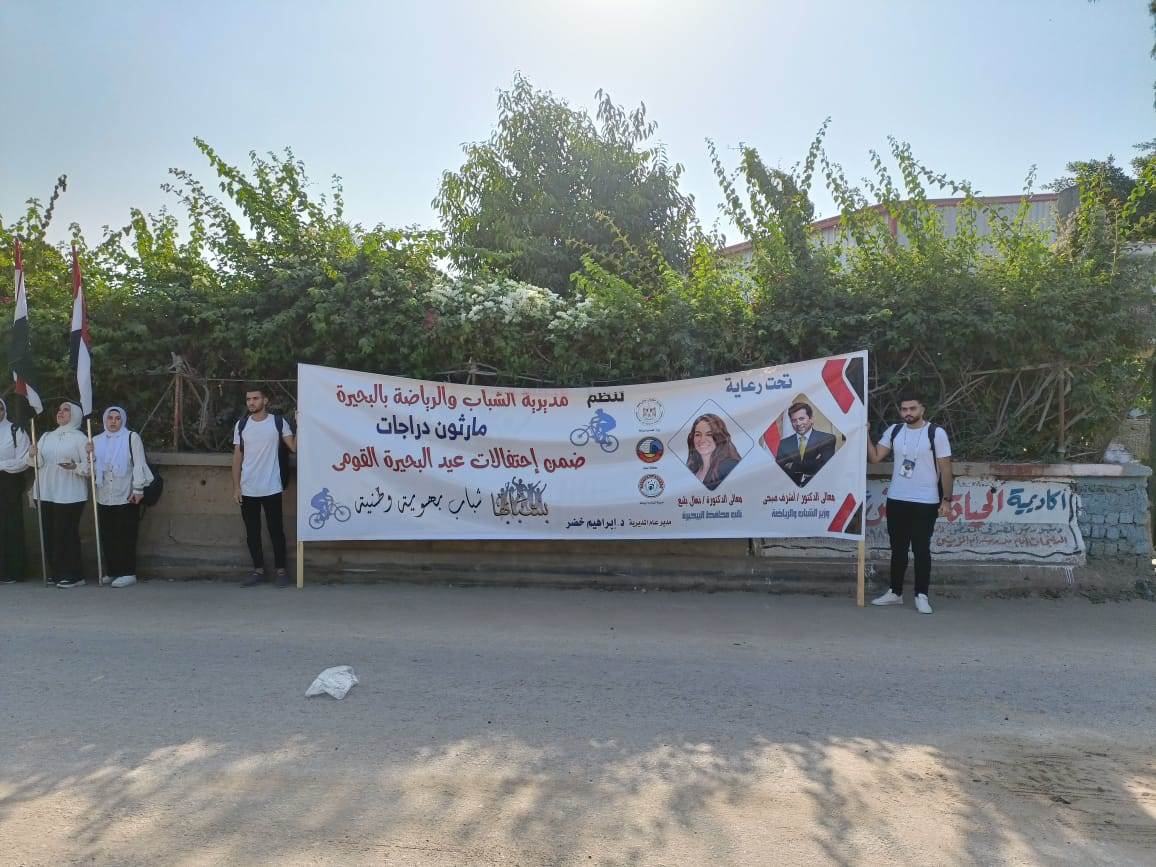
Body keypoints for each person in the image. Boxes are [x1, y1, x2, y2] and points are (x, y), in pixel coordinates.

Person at [867, 389, 953, 614]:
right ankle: (895, 593)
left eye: (912, 408)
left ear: (922, 409)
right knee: (898, 549)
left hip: (926, 501)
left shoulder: (936, 433)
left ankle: (921, 595)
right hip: (897, 498)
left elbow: (946, 469)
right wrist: (865, 434)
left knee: (921, 549)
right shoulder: (895, 431)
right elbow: (875, 457)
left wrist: (947, 499)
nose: (908, 412)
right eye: (904, 409)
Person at [232, 385, 296, 587]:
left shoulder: (278, 422)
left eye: (256, 398)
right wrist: (236, 486)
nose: (251, 402)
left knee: (276, 530)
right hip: (248, 487)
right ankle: (258, 570)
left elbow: (293, 447)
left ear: (265, 400)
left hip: (272, 486)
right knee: (252, 532)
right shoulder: (241, 425)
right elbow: (237, 457)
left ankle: (281, 571)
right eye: (248, 399)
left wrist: (301, 425)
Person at [86, 406, 153, 588]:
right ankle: (113, 571)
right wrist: (90, 456)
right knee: (108, 535)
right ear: (105, 420)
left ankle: (128, 572)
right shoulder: (96, 440)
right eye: (110, 418)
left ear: (122, 420)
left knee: (126, 535)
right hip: (104, 495)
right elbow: (92, 469)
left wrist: (138, 489)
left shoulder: (131, 437)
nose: (113, 421)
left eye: (117, 418)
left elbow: (139, 463)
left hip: (126, 494)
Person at [28, 401, 90, 588]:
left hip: (70, 494)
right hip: (46, 491)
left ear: (75, 415)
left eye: (66, 410)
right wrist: (32, 454)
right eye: (60, 409)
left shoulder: (80, 438)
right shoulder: (47, 436)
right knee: (49, 533)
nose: (61, 412)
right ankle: (57, 572)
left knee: (66, 533)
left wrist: (75, 466)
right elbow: (36, 464)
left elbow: (90, 467)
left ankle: (74, 574)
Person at [0, 398, 31, 584]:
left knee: (12, 526)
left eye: (0, 408)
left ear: (5, 410)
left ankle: (14, 571)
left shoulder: (15, 430)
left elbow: (24, 460)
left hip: (9, 483)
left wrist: (2, 465)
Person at [776, 401, 838, 486]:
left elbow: (824, 465)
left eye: (801, 419)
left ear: (811, 419)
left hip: (819, 487)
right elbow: (779, 470)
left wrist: (792, 465)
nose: (798, 423)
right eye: (794, 420)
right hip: (790, 489)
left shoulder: (827, 439)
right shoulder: (784, 443)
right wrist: (814, 462)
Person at [686, 413, 741, 491]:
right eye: (698, 434)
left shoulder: (730, 466)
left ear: (719, 437)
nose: (702, 440)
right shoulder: (692, 467)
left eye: (709, 434)